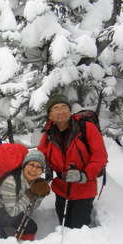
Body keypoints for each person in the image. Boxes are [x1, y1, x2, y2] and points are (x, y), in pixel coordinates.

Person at [38, 94, 108, 229]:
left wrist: (84, 175)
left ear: (70, 111)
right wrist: (40, 176)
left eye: (64, 107)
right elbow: (41, 156)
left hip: (84, 188)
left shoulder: (86, 128)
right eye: (56, 108)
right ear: (50, 115)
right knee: (63, 225)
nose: (61, 111)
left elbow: (100, 156)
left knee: (77, 229)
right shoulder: (49, 133)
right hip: (61, 189)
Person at [0, 147, 50, 240]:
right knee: (1, 241)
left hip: (9, 211)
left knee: (31, 227)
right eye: (31, 165)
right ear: (24, 165)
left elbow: (30, 209)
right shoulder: (11, 181)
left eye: (39, 167)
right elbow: (12, 212)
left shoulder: (34, 182)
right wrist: (30, 195)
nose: (34, 170)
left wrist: (39, 196)